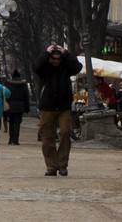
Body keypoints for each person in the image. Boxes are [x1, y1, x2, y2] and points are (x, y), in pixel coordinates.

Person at [32, 44, 83, 176]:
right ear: (49, 58)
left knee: (66, 132)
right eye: (53, 58)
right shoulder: (44, 69)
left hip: (63, 106)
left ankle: (62, 164)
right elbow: (36, 66)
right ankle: (51, 166)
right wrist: (45, 53)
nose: (55, 61)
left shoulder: (66, 67)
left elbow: (77, 67)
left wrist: (66, 53)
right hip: (47, 106)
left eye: (58, 59)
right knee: (47, 136)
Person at [4, 69, 30, 145]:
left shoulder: (8, 83)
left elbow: (6, 95)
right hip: (20, 105)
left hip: (10, 105)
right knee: (17, 123)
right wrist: (27, 107)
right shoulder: (23, 84)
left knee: (11, 122)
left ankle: (10, 139)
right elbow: (26, 96)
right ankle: (16, 140)